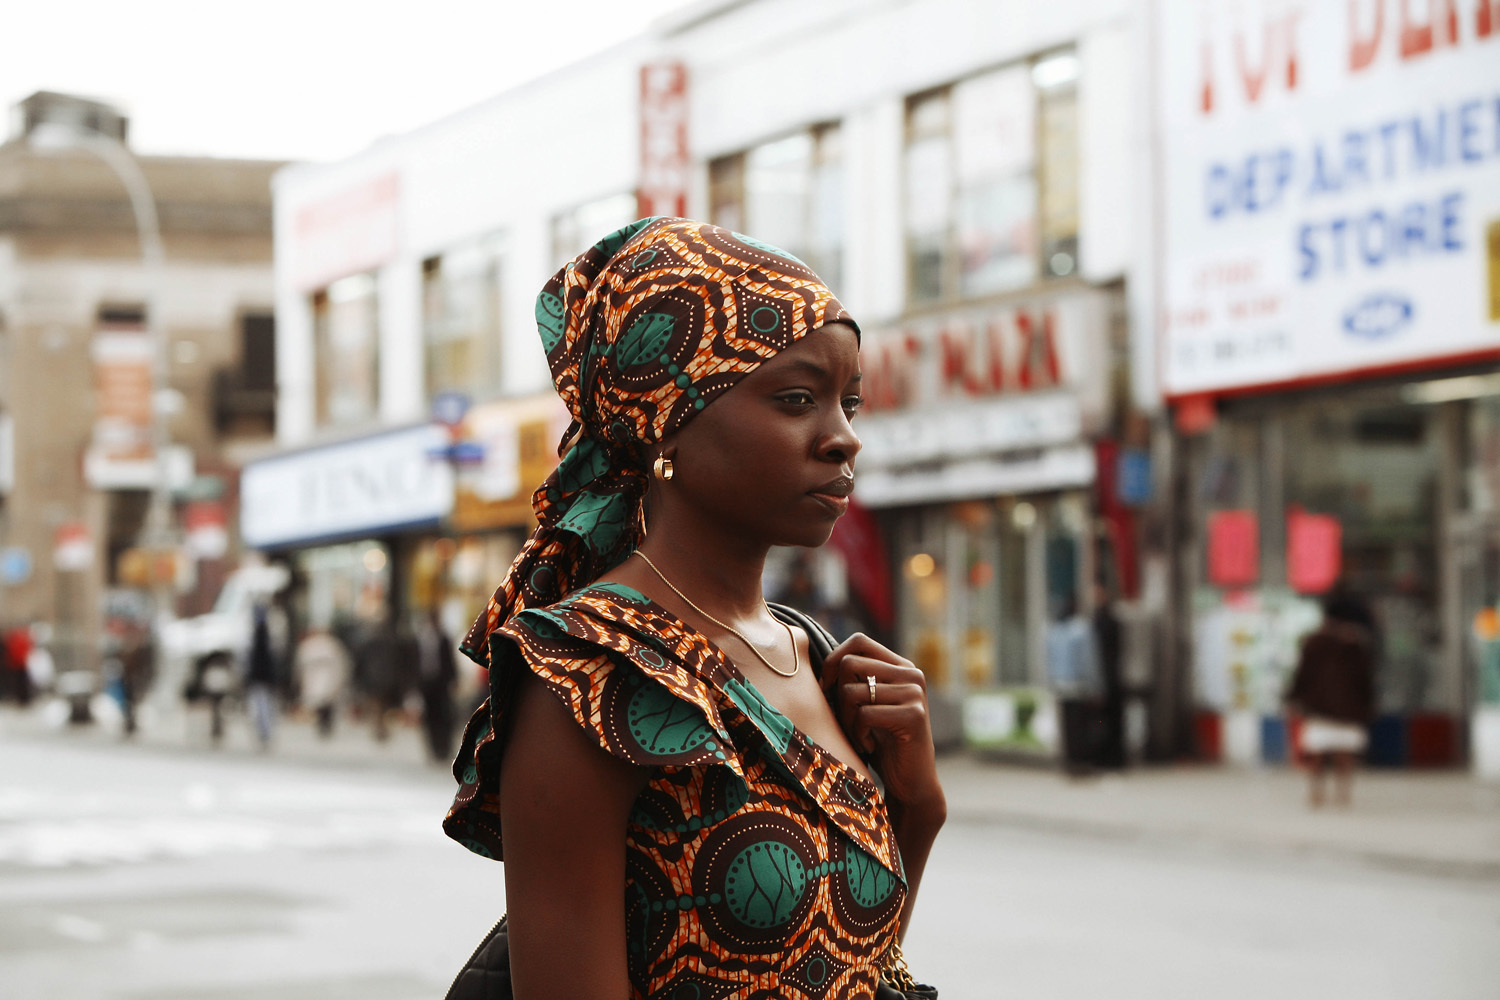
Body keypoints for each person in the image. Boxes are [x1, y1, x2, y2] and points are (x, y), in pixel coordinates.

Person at [442, 218, 944, 998]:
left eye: (850, 404)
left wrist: (918, 809)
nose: (843, 438)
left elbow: (849, 965)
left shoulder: (812, 653)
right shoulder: (589, 674)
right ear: (667, 419)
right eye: (797, 399)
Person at [1285, 592, 1376, 807]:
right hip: (1345, 708)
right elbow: (1365, 681)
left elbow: (1302, 674)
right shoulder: (1354, 646)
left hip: (1322, 707)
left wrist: (1293, 698)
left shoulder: (1319, 643)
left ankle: (1319, 793)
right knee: (1342, 753)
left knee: (1320, 752)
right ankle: (1340, 794)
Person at [1046, 595, 1102, 775]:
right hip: (1079, 686)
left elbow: (1048, 661)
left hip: (1061, 685)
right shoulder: (1081, 630)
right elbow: (1089, 661)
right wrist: (1096, 686)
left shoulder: (1053, 631)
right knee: (1080, 726)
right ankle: (1080, 761)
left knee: (1067, 726)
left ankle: (1069, 760)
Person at [294, 624, 351, 738]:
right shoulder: (312, 645)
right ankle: (322, 724)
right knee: (321, 703)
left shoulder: (331, 645)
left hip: (326, 677)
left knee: (326, 703)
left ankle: (325, 724)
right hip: (317, 678)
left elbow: (341, 663)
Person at [415, 608, 458, 762]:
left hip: (441, 682)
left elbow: (450, 661)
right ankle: (433, 748)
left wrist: (453, 680)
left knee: (444, 715)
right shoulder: (421, 638)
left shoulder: (444, 638)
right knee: (430, 717)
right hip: (426, 682)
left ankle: (444, 748)